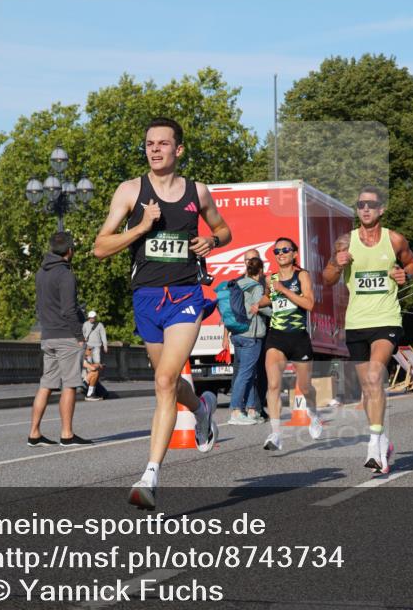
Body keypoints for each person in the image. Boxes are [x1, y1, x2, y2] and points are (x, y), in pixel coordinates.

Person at [94, 116, 231, 510]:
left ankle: (150, 475)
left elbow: (225, 231)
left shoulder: (197, 192)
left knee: (166, 379)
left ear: (178, 149)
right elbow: (100, 247)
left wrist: (210, 239)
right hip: (146, 298)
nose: (154, 149)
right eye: (150, 143)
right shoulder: (130, 190)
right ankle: (202, 406)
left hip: (186, 294)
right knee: (166, 382)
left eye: (163, 143)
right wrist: (140, 228)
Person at [322, 186, 413, 474]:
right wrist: (337, 267)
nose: (365, 209)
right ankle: (382, 439)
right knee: (369, 388)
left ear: (381, 209)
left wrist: (406, 275)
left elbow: (412, 262)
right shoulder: (345, 242)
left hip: (387, 319)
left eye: (370, 204)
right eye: (360, 204)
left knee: (376, 375)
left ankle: (373, 447)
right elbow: (326, 278)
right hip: (356, 323)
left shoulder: (394, 239)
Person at [29, 231, 93, 447]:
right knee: (70, 385)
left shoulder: (40, 273)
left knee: (46, 384)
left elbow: (40, 306)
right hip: (66, 336)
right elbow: (68, 310)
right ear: (70, 250)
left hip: (47, 335)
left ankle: (34, 434)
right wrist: (80, 337)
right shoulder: (66, 275)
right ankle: (67, 434)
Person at [258, 237, 322, 449]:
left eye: (285, 250)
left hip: (298, 337)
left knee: (304, 387)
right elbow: (270, 298)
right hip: (276, 336)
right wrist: (256, 304)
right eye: (277, 251)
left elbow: (309, 304)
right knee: (274, 384)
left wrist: (284, 290)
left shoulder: (301, 275)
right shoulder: (270, 279)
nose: (281, 253)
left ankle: (313, 414)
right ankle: (275, 433)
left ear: (294, 253)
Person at [222, 249, 270, 425]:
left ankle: (251, 410)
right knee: (246, 374)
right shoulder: (256, 286)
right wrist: (274, 305)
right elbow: (261, 307)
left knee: (246, 373)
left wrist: (226, 336)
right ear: (261, 271)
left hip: (238, 334)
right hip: (251, 335)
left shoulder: (237, 283)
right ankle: (236, 411)